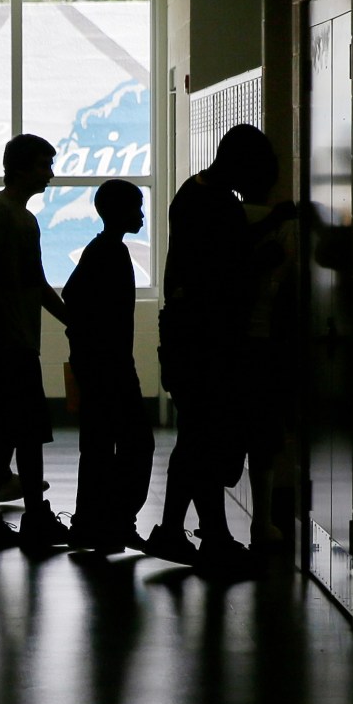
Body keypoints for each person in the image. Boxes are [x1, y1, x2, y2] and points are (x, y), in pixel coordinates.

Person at [146, 124, 281, 571]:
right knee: (199, 440)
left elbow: (222, 255)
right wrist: (263, 257)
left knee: (197, 438)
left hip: (188, 337)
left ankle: (205, 534)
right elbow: (222, 273)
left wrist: (272, 226)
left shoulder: (192, 193)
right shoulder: (217, 204)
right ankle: (188, 533)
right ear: (238, 165)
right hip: (204, 341)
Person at [0, 134, 75, 545]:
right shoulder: (2, 213)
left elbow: (35, 283)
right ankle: (25, 514)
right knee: (21, 432)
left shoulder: (18, 216)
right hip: (7, 342)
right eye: (45, 165)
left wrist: (70, 319)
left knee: (16, 433)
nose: (50, 173)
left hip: (13, 339)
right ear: (23, 167)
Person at [63, 179, 154, 553]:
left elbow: (72, 296)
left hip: (97, 363)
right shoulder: (110, 253)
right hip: (111, 365)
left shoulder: (100, 249)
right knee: (136, 443)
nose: (142, 215)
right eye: (136, 208)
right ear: (119, 212)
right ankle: (118, 520)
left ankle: (90, 521)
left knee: (99, 445)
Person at [238, 184, 303, 555]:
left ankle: (253, 521)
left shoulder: (243, 225)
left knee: (257, 437)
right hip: (260, 346)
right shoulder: (271, 230)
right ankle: (261, 521)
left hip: (247, 345)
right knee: (263, 438)